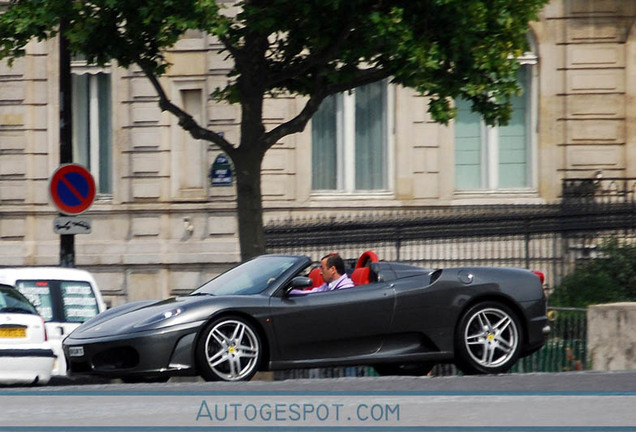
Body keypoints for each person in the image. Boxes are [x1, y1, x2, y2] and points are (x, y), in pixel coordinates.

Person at [290, 253, 354, 295]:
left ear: (333, 270)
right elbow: (312, 293)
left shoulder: (346, 290)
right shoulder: (329, 285)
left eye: (322, 269)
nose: (320, 273)